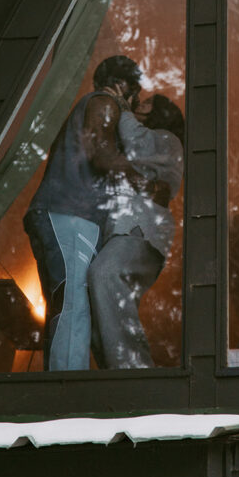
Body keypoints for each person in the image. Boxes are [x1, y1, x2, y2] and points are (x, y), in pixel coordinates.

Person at [23, 56, 162, 371]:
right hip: (69, 216)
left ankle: (66, 383)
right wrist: (143, 182)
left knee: (68, 305)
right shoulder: (103, 102)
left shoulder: (88, 107)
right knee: (73, 305)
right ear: (122, 85)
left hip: (61, 216)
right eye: (136, 93)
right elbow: (102, 154)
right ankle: (67, 392)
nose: (135, 103)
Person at [89, 91, 184, 369]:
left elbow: (137, 143)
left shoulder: (168, 140)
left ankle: (136, 370)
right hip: (131, 229)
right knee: (103, 303)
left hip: (145, 230)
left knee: (105, 274)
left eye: (148, 103)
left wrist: (120, 105)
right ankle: (119, 376)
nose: (140, 103)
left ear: (162, 114)